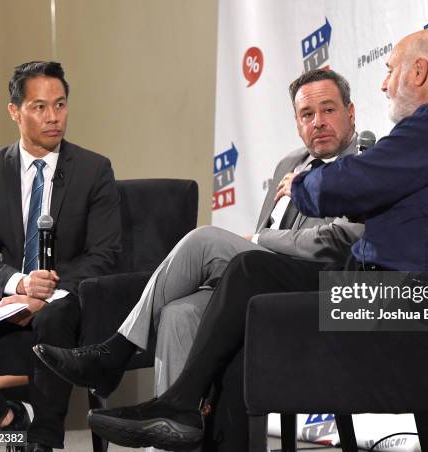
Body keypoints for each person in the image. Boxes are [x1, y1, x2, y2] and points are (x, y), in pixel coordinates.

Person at [69, 28, 428, 451]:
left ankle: (169, 396)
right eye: (307, 113)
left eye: (389, 70)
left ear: (418, 72)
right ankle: (180, 405)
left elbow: (351, 183)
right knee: (248, 273)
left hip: (403, 303)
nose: (384, 85)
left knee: (249, 283)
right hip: (412, 293)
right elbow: (409, 202)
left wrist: (303, 187)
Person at [33, 68, 363, 450]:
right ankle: (172, 429)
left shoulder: (365, 163)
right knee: (178, 314)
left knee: (206, 239)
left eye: (328, 110)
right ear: (296, 122)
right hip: (259, 277)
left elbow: (338, 242)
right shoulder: (289, 164)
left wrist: (257, 239)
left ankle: (115, 352)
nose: (318, 122)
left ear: (351, 113)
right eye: (307, 114)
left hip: (317, 287)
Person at [0, 61, 121, 452]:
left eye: (60, 105)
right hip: (9, 296)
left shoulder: (93, 170)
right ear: (15, 111)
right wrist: (20, 284)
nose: (53, 118)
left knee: (53, 316)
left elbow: (105, 254)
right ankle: (10, 420)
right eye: (40, 107)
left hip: (70, 299)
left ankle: (44, 441)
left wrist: (45, 291)